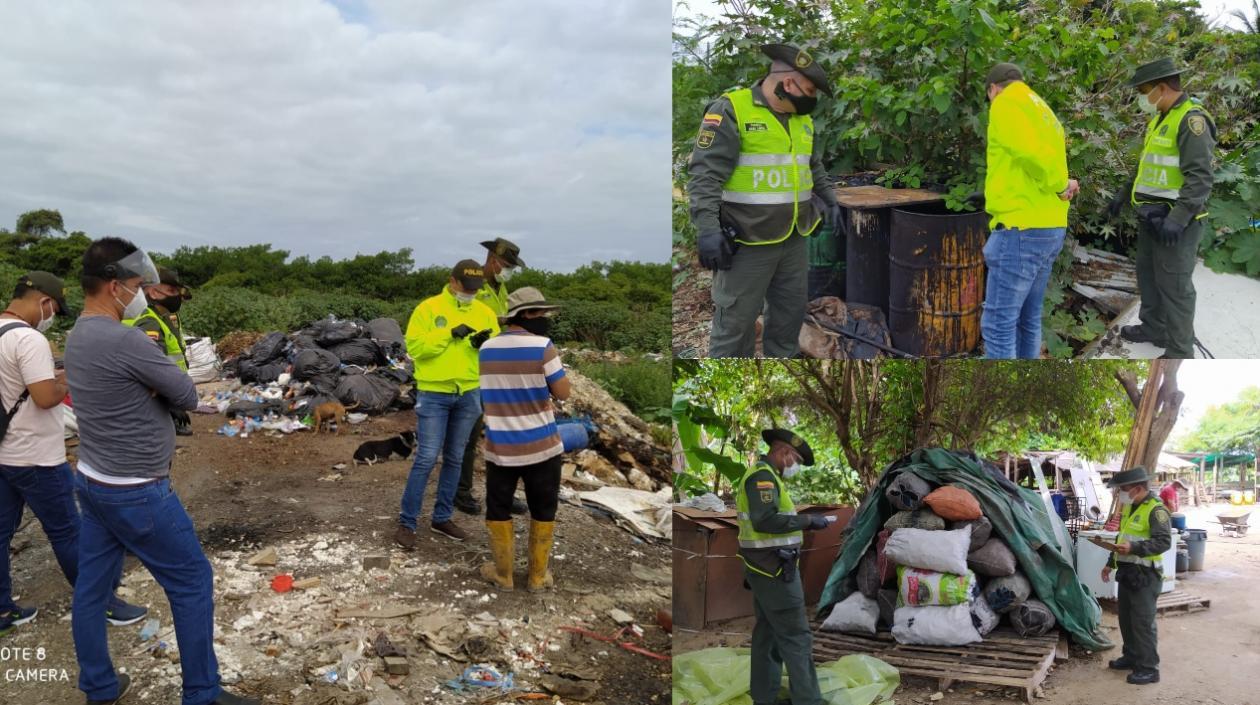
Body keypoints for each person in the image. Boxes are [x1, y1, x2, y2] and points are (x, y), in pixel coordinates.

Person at [66, 238, 256, 705]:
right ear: (114, 287)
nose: (143, 294)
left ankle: (98, 685)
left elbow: (155, 390)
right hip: (137, 490)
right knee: (192, 582)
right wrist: (158, 391)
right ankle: (203, 694)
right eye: (136, 286)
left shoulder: (77, 333)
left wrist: (155, 391)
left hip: (92, 480)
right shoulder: (125, 337)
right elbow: (187, 395)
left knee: (91, 590)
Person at [0, 272, 146, 636]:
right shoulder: (28, 338)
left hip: (4, 453)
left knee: (1, 533)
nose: (51, 316)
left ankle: (3, 611)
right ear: (43, 301)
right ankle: (104, 604)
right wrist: (67, 378)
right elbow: (46, 397)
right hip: (35, 455)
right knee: (67, 530)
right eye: (54, 309)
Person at [687, 42, 845, 358]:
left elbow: (813, 165)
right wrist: (707, 229)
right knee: (735, 328)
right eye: (810, 90)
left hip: (794, 239)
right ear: (789, 84)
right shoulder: (732, 110)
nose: (812, 100)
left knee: (788, 321)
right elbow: (705, 175)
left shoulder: (803, 121)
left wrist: (830, 200)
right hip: (748, 242)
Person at [1108, 58, 1217, 359]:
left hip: (1176, 224)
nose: (1142, 98)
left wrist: (1179, 218)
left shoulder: (1191, 120)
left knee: (1175, 286)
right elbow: (1146, 166)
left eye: (1144, 91)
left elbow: (1200, 178)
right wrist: (1123, 193)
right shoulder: (1160, 118)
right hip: (1150, 218)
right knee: (1149, 277)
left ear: (1161, 88)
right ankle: (1153, 328)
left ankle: (1180, 350)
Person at [397, 260, 499, 547]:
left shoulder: (485, 312)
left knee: (455, 458)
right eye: (466, 288)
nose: (471, 293)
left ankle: (442, 517)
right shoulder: (428, 309)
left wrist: (483, 345)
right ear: (453, 282)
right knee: (427, 458)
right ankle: (407, 521)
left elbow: (494, 351)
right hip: (434, 394)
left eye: (475, 289)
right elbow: (415, 349)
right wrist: (448, 334)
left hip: (469, 393)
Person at [980, 62, 1078, 359]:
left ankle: (1000, 400)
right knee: (1028, 319)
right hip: (1049, 225)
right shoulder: (1042, 109)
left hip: (1020, 228)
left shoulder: (1006, 103)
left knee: (998, 325)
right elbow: (1025, 160)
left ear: (993, 89)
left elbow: (1030, 154)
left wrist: (1060, 184)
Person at [477, 287, 571, 592]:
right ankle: (536, 577)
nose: (544, 319)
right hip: (541, 446)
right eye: (541, 313)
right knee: (543, 508)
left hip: (501, 446)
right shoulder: (544, 347)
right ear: (526, 314)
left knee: (499, 508)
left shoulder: (486, 348)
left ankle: (503, 576)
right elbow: (563, 393)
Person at [736, 428, 837, 705]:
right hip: (775, 570)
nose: (796, 467)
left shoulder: (767, 477)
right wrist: (808, 522)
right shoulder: (763, 479)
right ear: (783, 453)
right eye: (795, 460)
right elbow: (764, 521)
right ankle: (808, 700)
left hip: (765, 567)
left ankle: (764, 697)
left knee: (768, 633)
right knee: (797, 636)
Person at [454, 237, 529, 517]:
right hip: (475, 372)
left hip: (500, 370)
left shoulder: (501, 286)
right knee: (469, 435)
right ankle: (460, 492)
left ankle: (503, 494)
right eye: (507, 265)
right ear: (493, 260)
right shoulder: (470, 284)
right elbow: (458, 319)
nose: (508, 270)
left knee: (504, 434)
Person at [1101, 466, 1171, 685]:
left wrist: (1134, 547)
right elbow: (1123, 539)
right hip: (1128, 573)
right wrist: (1109, 564)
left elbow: (1164, 542)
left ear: (1137, 488)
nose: (1120, 493)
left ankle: (1149, 668)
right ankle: (1131, 657)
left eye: (1123, 489)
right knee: (1127, 620)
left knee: (1142, 623)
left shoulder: (1156, 510)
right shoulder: (1130, 507)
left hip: (1146, 576)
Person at [123, 266, 194, 435]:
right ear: (154, 293)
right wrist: (172, 403)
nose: (177, 296)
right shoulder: (149, 322)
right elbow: (152, 371)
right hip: (150, 406)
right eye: (171, 290)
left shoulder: (155, 316)